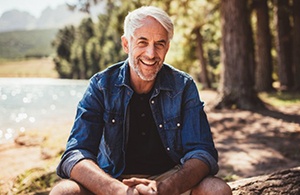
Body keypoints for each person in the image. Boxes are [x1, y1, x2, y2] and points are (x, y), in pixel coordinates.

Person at [50, 6, 232, 195]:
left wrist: (164, 188)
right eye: (142, 42)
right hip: (112, 180)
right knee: (64, 192)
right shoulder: (101, 85)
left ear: (167, 47)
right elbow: (75, 153)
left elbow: (202, 153)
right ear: (126, 44)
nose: (151, 54)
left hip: (169, 179)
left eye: (160, 44)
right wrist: (119, 191)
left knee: (216, 190)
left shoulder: (183, 86)